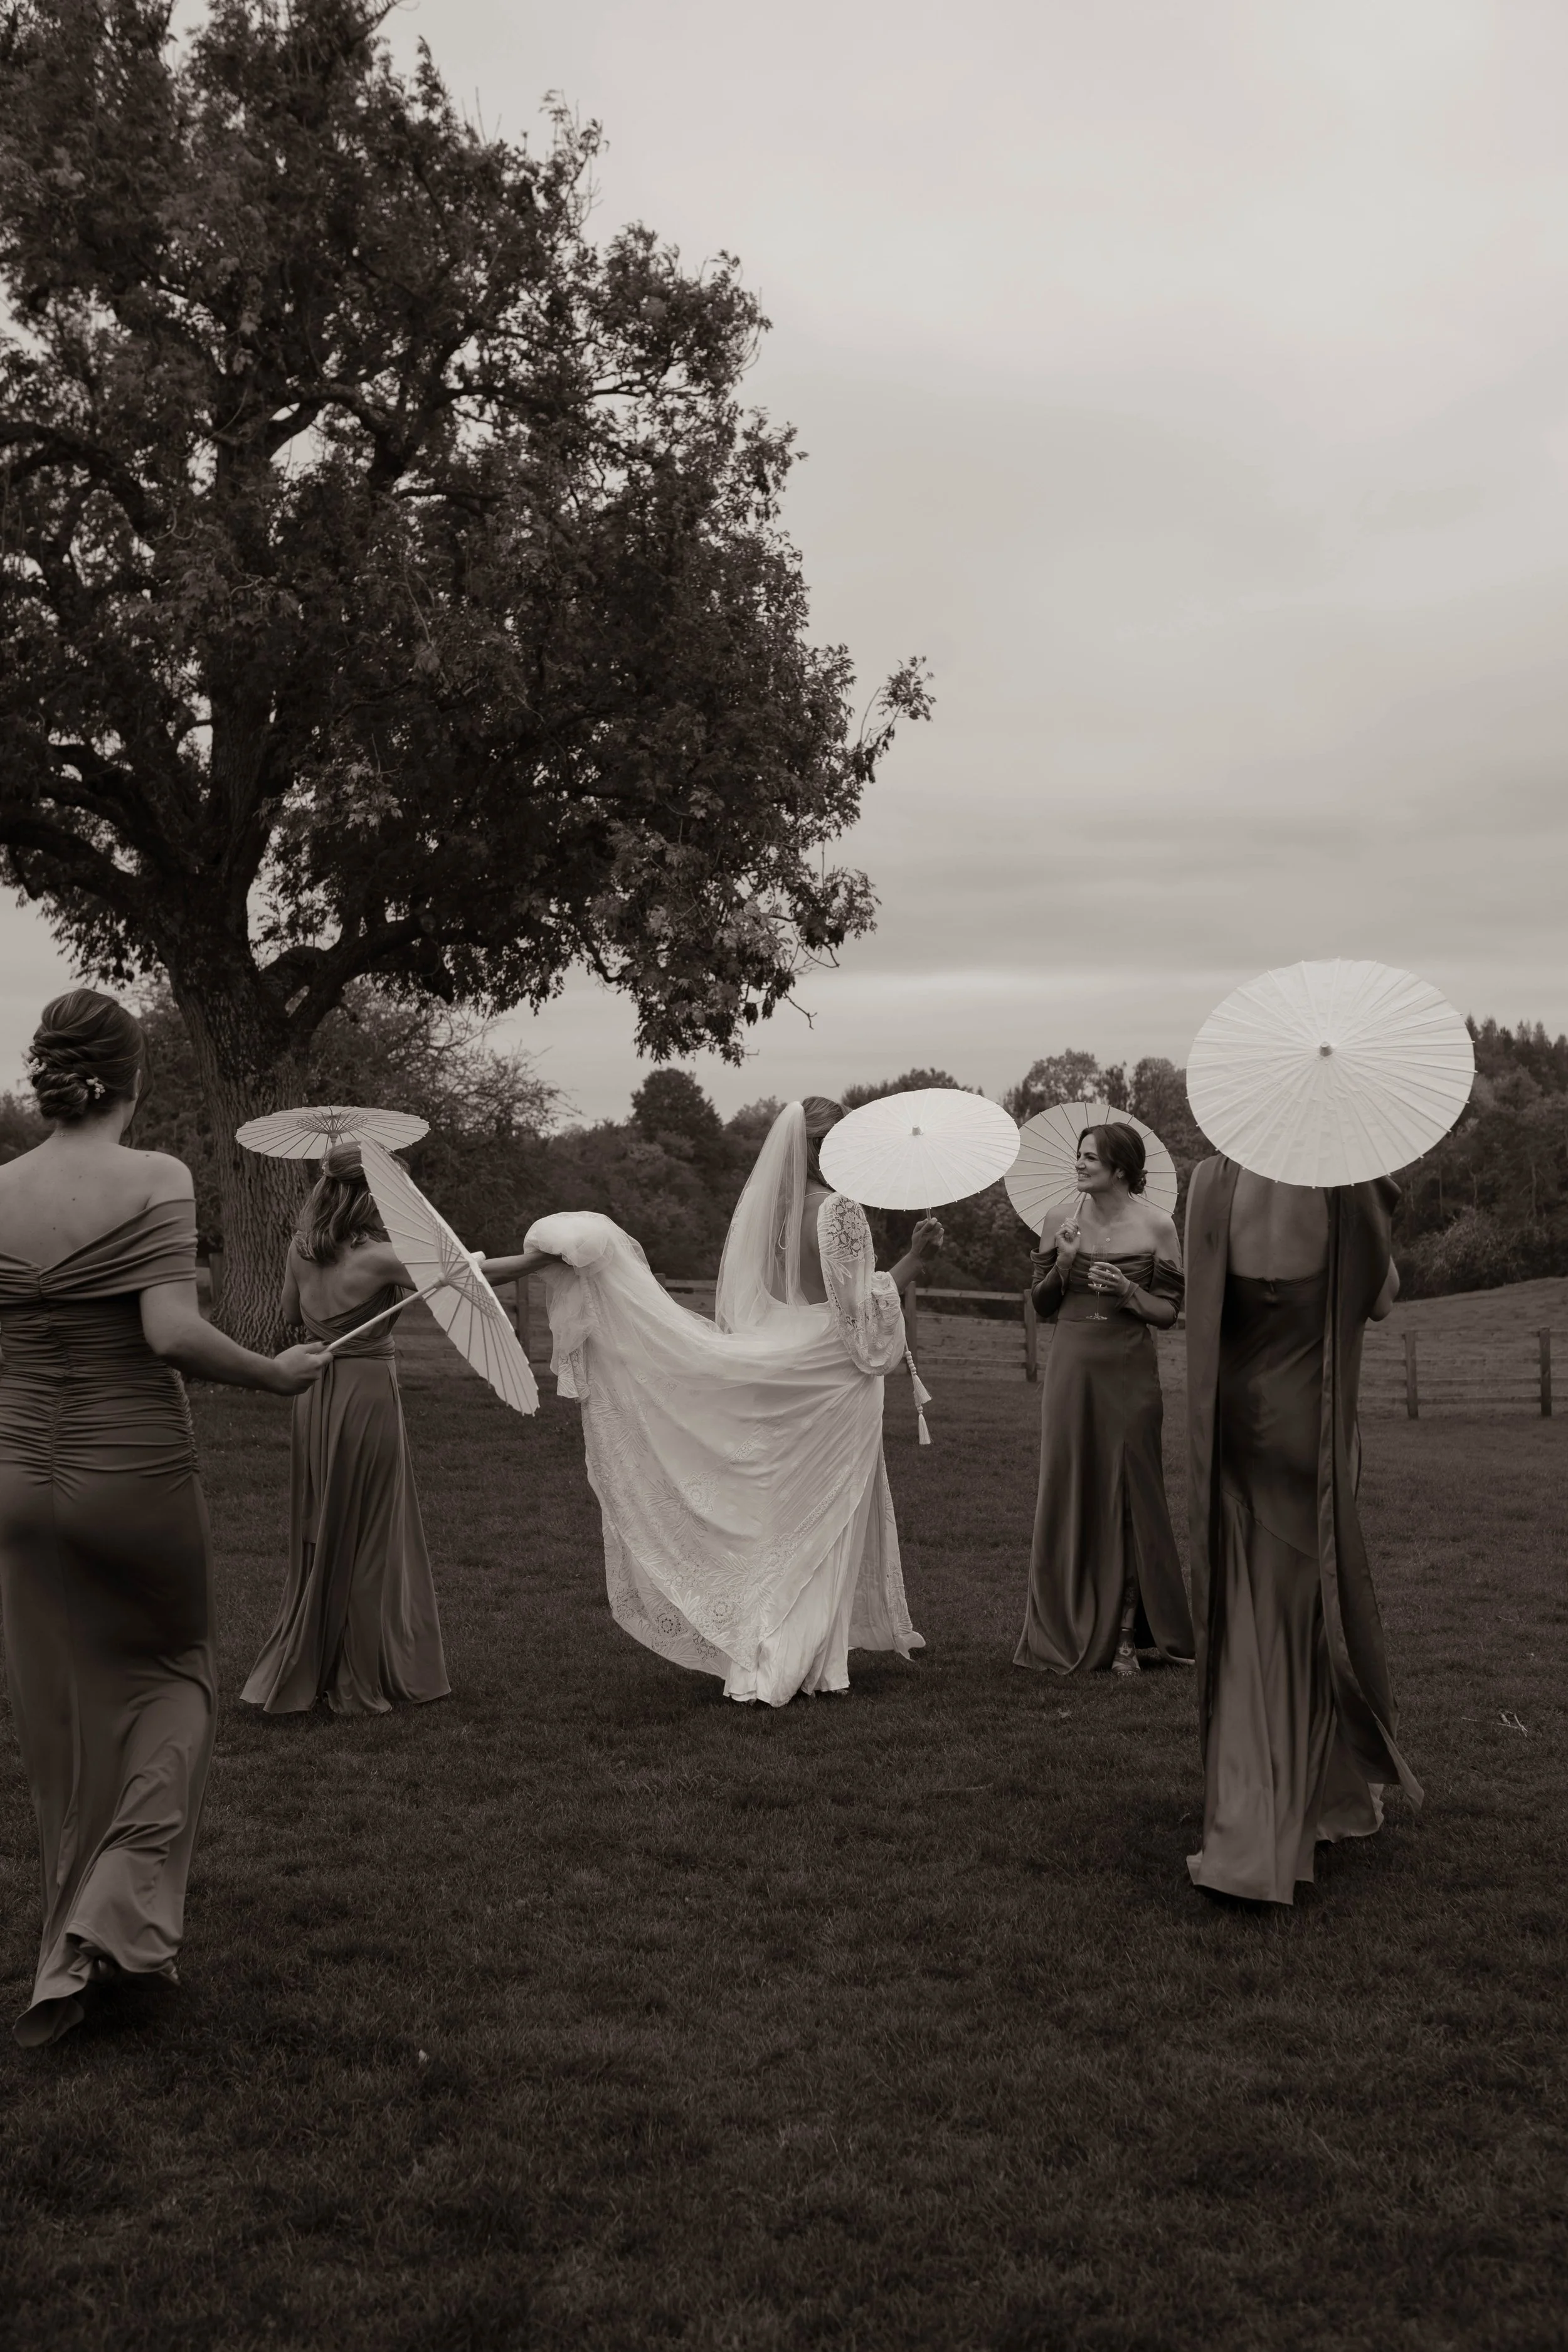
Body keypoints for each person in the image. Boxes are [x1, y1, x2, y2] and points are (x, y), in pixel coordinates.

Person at [0, 989, 326, 2048]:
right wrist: (276, 1376)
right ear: (134, 1078)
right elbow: (172, 1333)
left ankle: (77, 1946)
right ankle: (110, 1915)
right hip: (129, 1472)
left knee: (62, 1718)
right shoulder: (156, 1179)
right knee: (177, 1680)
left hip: (17, 1481)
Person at [514, 1098, 938, 1705]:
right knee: (827, 1511)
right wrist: (916, 1262)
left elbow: (771, 1296)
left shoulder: (775, 1212)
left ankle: (772, 1651)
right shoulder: (840, 1209)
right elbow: (856, 1314)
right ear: (830, 1145)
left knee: (784, 1514)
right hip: (829, 1374)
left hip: (781, 1358)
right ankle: (803, 1661)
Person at [1184, 1158, 1420, 1906]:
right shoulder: (1349, 1183)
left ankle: (1273, 1797)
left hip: (1234, 1418)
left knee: (1248, 1612)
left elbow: (1201, 1296)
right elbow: (1378, 1302)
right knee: (1298, 1613)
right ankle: (1274, 1827)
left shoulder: (1209, 1183)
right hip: (1306, 1424)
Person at [243, 1144, 540, 1717]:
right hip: (367, 1396)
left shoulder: (300, 1251)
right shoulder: (380, 1258)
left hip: (316, 1393)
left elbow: (288, 1317)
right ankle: (362, 1668)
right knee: (371, 1528)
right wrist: (546, 1260)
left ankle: (319, 1661)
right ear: (371, 1197)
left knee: (324, 1525)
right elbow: (474, 1279)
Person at [1014, 1121, 1193, 1678]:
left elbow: (1169, 1312)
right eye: (1079, 1155)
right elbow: (1042, 1308)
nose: (1080, 1164)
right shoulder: (1057, 1222)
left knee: (1129, 1495)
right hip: (1071, 1367)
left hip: (1129, 1370)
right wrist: (1064, 1265)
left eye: (1090, 1157)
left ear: (1120, 1168)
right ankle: (1065, 1622)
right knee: (1070, 1487)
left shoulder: (1159, 1226)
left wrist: (1130, 1292)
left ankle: (1125, 1637)